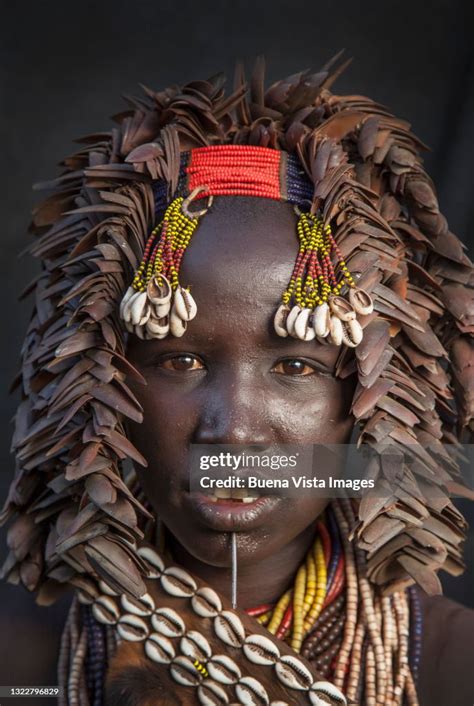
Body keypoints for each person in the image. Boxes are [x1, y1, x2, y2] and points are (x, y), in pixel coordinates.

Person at [1, 54, 473, 706]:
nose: (235, 427)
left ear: (372, 405)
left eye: (297, 367)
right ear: (98, 392)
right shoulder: (22, 664)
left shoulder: (453, 668)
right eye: (179, 361)